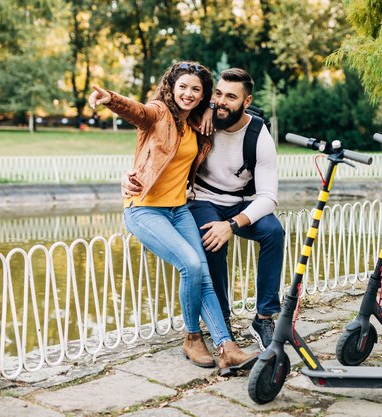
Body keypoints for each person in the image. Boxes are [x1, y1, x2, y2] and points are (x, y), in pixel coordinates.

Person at [89, 61, 258, 375]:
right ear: (171, 88)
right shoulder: (158, 112)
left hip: (178, 209)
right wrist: (110, 99)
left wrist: (208, 107)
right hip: (144, 209)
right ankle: (191, 337)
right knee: (190, 264)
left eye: (196, 89)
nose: (188, 94)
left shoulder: (196, 121)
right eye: (183, 87)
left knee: (202, 271)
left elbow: (231, 105)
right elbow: (137, 111)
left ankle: (227, 347)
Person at [123, 68, 284, 351]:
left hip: (239, 203)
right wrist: (129, 175)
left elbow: (269, 197)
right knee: (211, 241)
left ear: (247, 102)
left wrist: (233, 224)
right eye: (218, 95)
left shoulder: (259, 135)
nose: (222, 102)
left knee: (274, 232)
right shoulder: (200, 119)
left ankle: (264, 317)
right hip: (204, 199)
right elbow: (155, 142)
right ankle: (220, 319)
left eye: (231, 97)